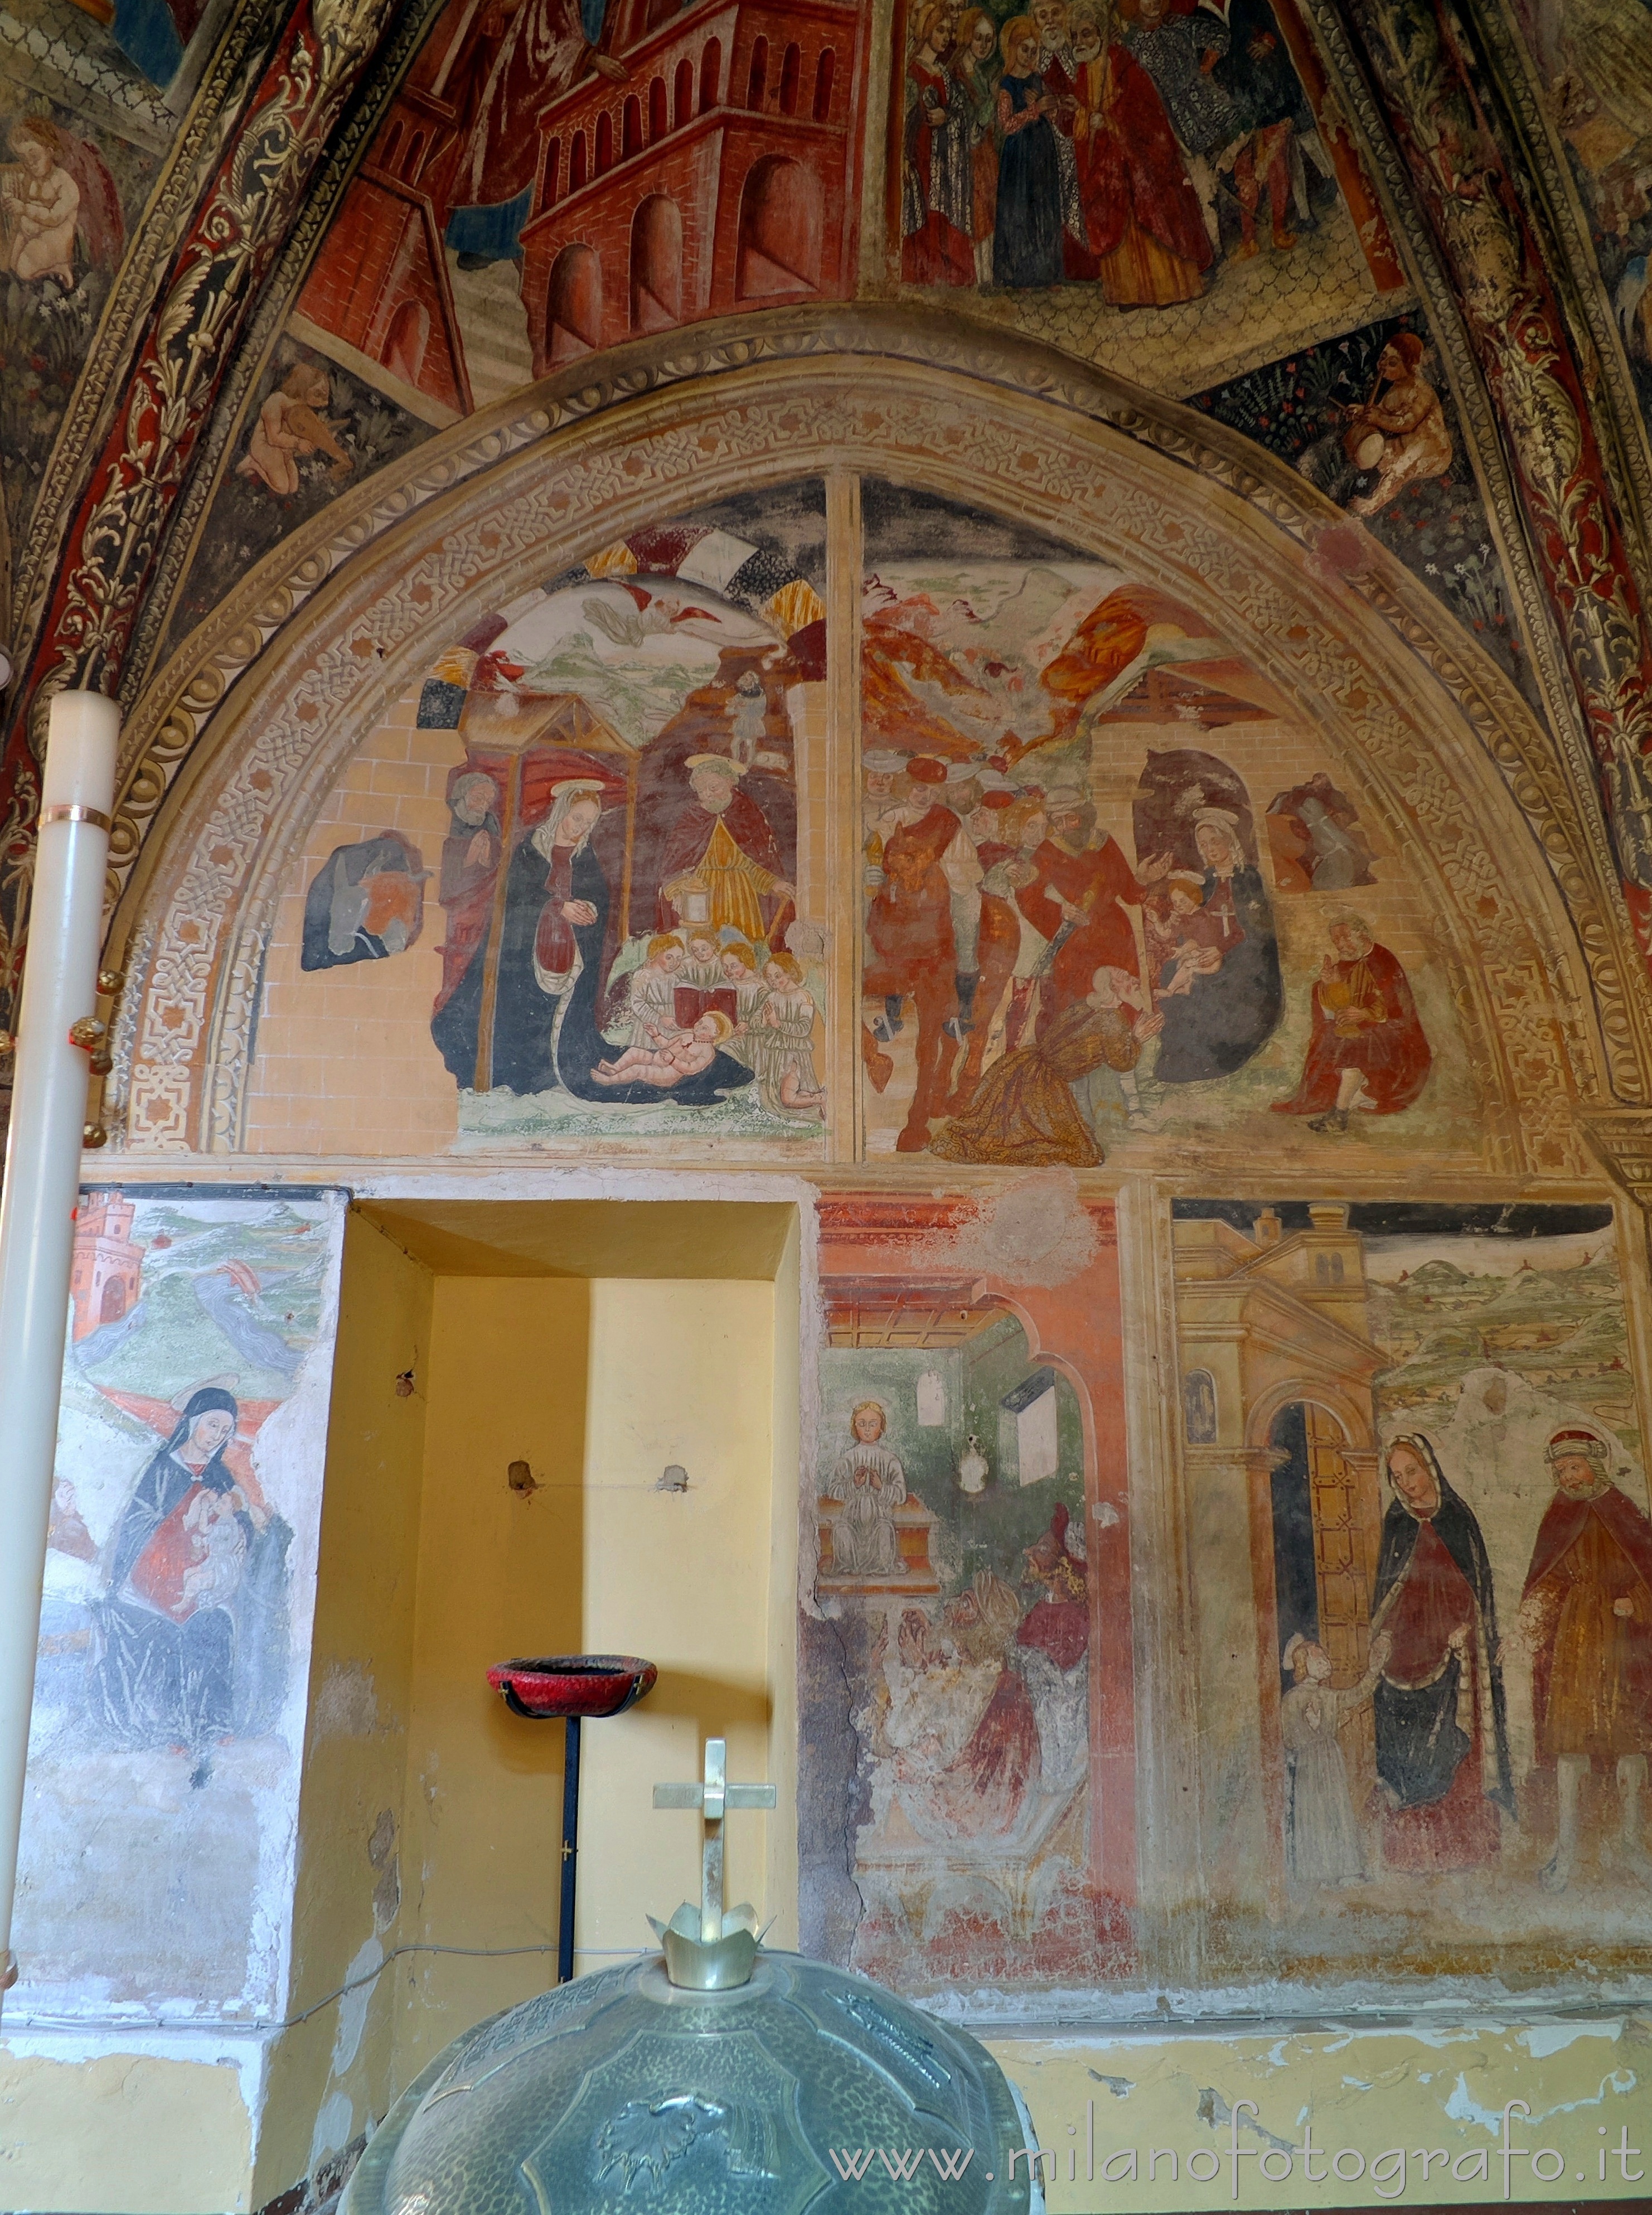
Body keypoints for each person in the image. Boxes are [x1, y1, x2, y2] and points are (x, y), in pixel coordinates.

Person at [90, 1387, 289, 1787]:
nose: (218, 1435)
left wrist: (249, 1528)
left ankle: (211, 1725)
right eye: (213, 1424)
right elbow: (137, 1525)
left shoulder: (219, 1476)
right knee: (163, 1632)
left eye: (226, 1430)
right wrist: (173, 1540)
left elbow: (242, 1532)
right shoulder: (162, 1469)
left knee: (214, 1627)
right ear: (194, 1422)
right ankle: (171, 1728)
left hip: (203, 1585)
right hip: (151, 1583)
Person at [1514, 1428, 1652, 1891]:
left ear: (1595, 1464)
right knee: (1570, 1747)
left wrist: (1637, 1601)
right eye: (1560, 1470)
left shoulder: (1624, 1511)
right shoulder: (1558, 1515)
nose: (1567, 1477)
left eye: (1574, 1467)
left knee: (1629, 1746)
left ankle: (1631, 1842)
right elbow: (1546, 1580)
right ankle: (1567, 1847)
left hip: (1621, 1647)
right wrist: (1529, 1622)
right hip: (1573, 1647)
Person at [1368, 1435, 1514, 1873]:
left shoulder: (1456, 1517)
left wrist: (1466, 1630)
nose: (1406, 1484)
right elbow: (1387, 1591)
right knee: (1405, 1755)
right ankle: (1410, 1856)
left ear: (1429, 1466)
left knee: (1454, 1748)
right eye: (1396, 1476)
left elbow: (1476, 1589)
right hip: (1402, 1655)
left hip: (1452, 1653)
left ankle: (1463, 1851)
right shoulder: (1397, 1521)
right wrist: (1381, 1639)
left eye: (1410, 1471)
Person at [932, 963, 1162, 1164]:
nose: (1132, 980)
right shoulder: (1112, 1019)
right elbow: (1122, 1062)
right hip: (1051, 1086)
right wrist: (1138, 1038)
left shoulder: (1086, 1006)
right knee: (1083, 1152)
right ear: (1112, 988)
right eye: (1124, 977)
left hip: (1027, 1067)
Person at [1065, 1, 1212, 303]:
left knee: (1150, 217)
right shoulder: (1082, 76)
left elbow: (1145, 113)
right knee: (1115, 225)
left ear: (1102, 34)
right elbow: (1080, 124)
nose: (1081, 42)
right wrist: (1080, 116)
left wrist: (1110, 118)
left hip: (1138, 165)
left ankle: (1171, 288)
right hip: (1106, 170)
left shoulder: (1123, 65)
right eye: (1076, 37)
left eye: (1087, 34)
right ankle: (1128, 294)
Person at [864, 756, 965, 1150]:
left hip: (936, 907)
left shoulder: (949, 823)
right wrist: (873, 870)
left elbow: (963, 865)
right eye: (919, 788)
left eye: (932, 791)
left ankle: (966, 985)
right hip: (893, 898)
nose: (924, 795)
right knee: (861, 911)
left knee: (970, 909)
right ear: (908, 787)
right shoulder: (890, 819)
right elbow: (872, 852)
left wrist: (948, 880)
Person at [1015, 791, 1170, 1036]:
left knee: (1124, 997)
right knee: (1078, 999)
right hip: (1076, 940)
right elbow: (1028, 898)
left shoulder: (1104, 843)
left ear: (1085, 816)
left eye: (1071, 818)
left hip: (1115, 936)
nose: (1065, 826)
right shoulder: (1048, 851)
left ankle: (1122, 1052)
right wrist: (1060, 911)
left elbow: (1129, 893)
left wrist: (1146, 879)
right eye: (1058, 822)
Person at [1152, 809, 1282, 1083]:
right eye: (1203, 844)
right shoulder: (1206, 882)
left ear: (1229, 841)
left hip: (1246, 960)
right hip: (1206, 955)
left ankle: (1213, 1057)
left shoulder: (1249, 879)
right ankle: (1179, 1055)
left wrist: (1222, 953)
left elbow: (1260, 932)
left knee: (1214, 984)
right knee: (1170, 973)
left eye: (1215, 841)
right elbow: (1194, 920)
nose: (1210, 848)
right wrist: (1189, 942)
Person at [1272, 909, 1431, 1131]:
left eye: (1345, 937)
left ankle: (1340, 1113)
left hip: (1396, 1036)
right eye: (1336, 939)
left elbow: (1398, 1008)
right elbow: (1335, 1010)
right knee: (1332, 1035)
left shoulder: (1383, 961)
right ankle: (1340, 1106)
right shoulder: (1346, 964)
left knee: (1355, 1042)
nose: (1340, 944)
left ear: (1363, 935)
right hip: (1367, 1030)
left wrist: (1366, 1014)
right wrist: (1331, 986)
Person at [1281, 1631, 1389, 1889]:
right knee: (1314, 1812)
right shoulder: (1292, 1699)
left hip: (1330, 1758)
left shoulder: (1329, 1696)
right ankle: (1315, 1871)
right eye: (1318, 1659)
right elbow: (1289, 1737)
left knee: (1336, 1809)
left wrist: (1373, 1671)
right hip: (1309, 1762)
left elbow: (1356, 1694)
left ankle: (1341, 1868)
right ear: (1303, 1665)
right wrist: (1312, 1730)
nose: (1326, 1662)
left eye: (1325, 1658)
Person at [656, 755, 795, 945]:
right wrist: (679, 890)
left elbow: (753, 864)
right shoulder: (691, 820)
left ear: (730, 782)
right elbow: (674, 867)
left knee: (741, 952)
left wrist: (772, 883)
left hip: (741, 898)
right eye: (701, 791)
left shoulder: (746, 813)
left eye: (713, 788)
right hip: (702, 898)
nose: (708, 795)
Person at [903, 2, 976, 285]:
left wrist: (948, 116)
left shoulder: (946, 74)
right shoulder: (911, 71)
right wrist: (903, 157)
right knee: (921, 213)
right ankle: (921, 274)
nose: (946, 37)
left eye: (949, 31)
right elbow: (903, 119)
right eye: (940, 30)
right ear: (926, 30)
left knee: (941, 212)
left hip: (944, 161)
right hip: (920, 155)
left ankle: (945, 273)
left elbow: (960, 112)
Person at [1343, 333, 1454, 515]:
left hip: (1431, 446)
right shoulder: (1396, 388)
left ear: (1409, 367)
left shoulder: (1420, 391)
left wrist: (1377, 419)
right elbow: (1381, 413)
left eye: (1393, 363)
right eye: (1383, 358)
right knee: (1375, 453)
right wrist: (1361, 412)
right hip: (1408, 441)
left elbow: (1406, 424)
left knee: (1399, 468)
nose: (1383, 365)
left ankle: (1372, 506)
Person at [993, 16, 1065, 287]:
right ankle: (1019, 276)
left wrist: (1053, 106)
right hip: (1019, 156)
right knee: (1021, 210)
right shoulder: (1007, 86)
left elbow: (1052, 113)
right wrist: (1035, 110)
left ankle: (1047, 273)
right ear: (1012, 49)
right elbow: (1007, 125)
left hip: (1042, 151)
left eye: (1034, 50)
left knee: (1044, 208)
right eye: (1024, 49)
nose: (1029, 55)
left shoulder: (1038, 79)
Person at [434, 771, 502, 1017]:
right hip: (462, 908)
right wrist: (470, 856)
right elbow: (451, 874)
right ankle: (451, 1003)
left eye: (488, 798)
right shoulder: (451, 827)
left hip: (485, 905)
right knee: (460, 953)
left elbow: (497, 866)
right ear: (463, 794)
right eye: (479, 795)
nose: (484, 802)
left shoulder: (491, 824)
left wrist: (485, 858)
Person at [235, 361, 354, 499]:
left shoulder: (303, 410)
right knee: (283, 487)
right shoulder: (278, 400)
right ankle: (253, 463)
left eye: (324, 396)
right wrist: (298, 443)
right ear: (305, 386)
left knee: (293, 488)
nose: (324, 402)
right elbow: (273, 437)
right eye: (318, 394)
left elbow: (313, 433)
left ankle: (258, 465)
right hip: (266, 446)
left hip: (285, 451)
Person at [825, 1402, 909, 1579]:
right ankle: (849, 1566)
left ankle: (881, 1567)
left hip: (879, 1518)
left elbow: (900, 1495)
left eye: (873, 1424)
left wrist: (880, 1487)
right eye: (862, 1424)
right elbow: (833, 1489)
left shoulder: (890, 1460)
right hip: (852, 1519)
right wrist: (854, 1484)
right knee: (841, 1530)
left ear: (882, 1426)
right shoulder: (847, 1459)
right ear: (855, 1426)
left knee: (885, 1530)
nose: (868, 1429)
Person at [952, 7, 1003, 282]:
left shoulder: (981, 75)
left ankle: (988, 277)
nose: (984, 45)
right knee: (976, 214)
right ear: (966, 36)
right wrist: (992, 102)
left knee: (990, 212)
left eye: (988, 39)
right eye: (978, 38)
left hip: (987, 155)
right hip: (969, 157)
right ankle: (979, 276)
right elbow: (972, 127)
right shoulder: (958, 74)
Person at [1, 115, 78, 284]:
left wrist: (24, 208)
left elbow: (54, 217)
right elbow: (12, 188)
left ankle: (60, 267)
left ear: (50, 151)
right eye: (24, 159)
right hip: (29, 234)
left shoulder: (65, 183)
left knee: (23, 268)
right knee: (9, 262)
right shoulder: (29, 177)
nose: (30, 164)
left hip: (52, 240)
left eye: (34, 157)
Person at [752, 951, 826, 1115]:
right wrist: (764, 1021)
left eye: (778, 975)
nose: (773, 981)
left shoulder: (803, 997)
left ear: (790, 972)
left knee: (787, 1099)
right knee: (775, 1099)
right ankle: (814, 1101)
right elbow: (755, 1021)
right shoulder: (772, 997)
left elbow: (803, 1029)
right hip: (776, 1054)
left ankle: (820, 1099)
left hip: (794, 1054)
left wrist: (777, 1024)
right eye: (770, 977)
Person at [592, 1009, 734, 1087]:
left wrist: (672, 1060)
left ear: (714, 1035)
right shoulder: (688, 1034)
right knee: (635, 1052)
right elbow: (666, 1044)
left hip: (668, 1073)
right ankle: (615, 1069)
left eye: (705, 1028)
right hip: (658, 1059)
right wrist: (656, 1035)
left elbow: (691, 1069)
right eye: (700, 1022)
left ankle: (609, 1081)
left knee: (639, 1069)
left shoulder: (707, 1051)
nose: (698, 1026)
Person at [620, 932, 687, 1048]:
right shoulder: (643, 976)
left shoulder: (675, 977)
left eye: (678, 959)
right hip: (651, 1023)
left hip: (672, 1021)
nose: (674, 962)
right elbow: (637, 1003)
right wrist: (659, 1019)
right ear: (656, 954)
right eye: (669, 957)